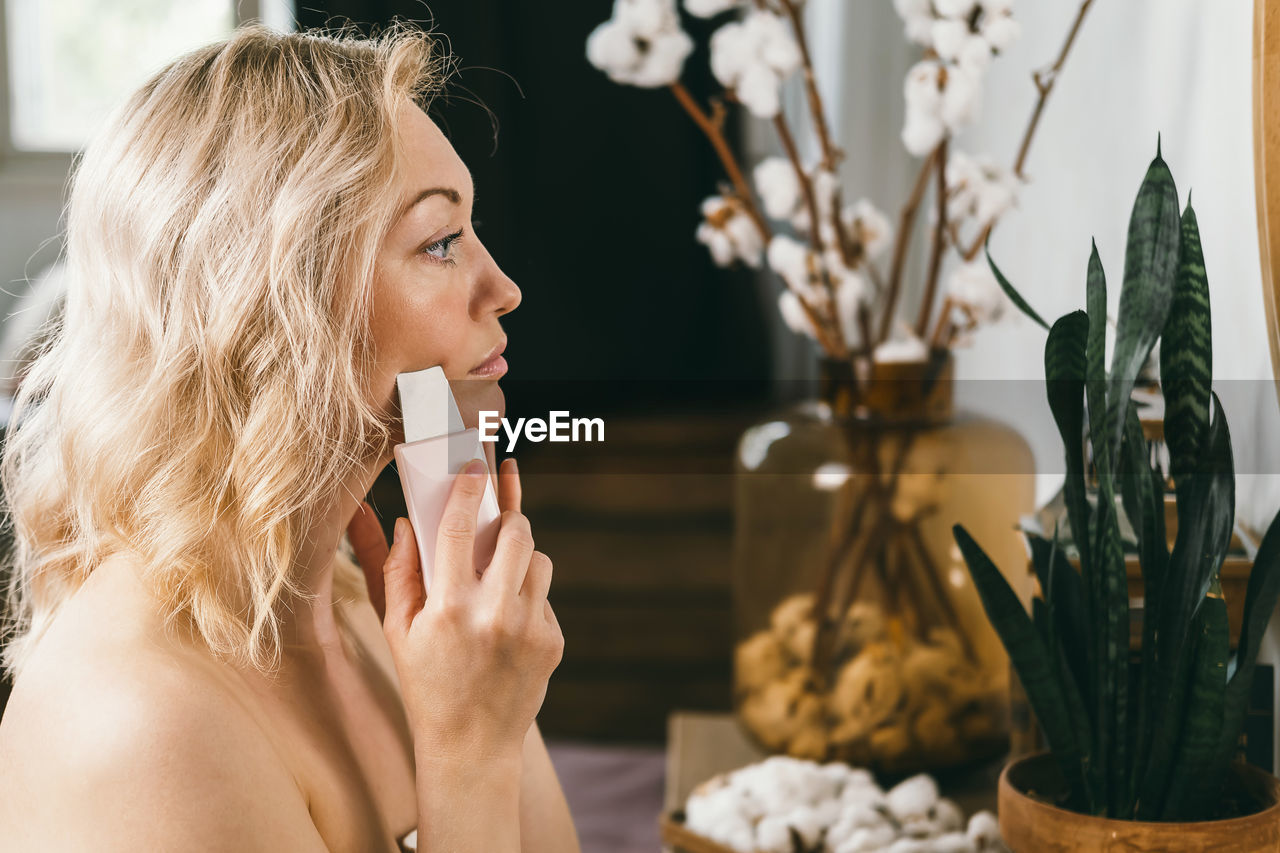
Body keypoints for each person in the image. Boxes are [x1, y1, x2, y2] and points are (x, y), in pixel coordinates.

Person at [0, 23, 578, 853]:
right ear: (278, 309)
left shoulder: (365, 605)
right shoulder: (142, 723)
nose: (505, 288)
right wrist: (470, 748)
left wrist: (484, 673)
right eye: (441, 242)